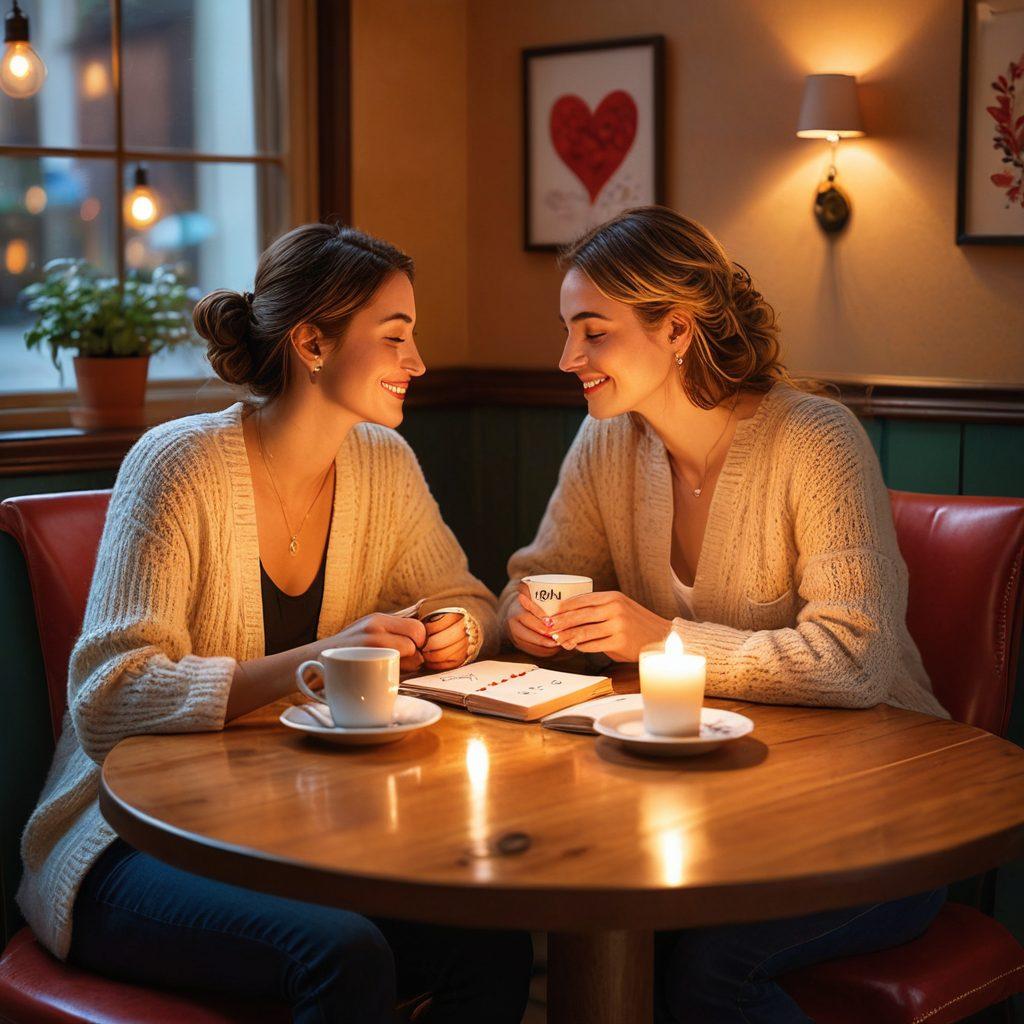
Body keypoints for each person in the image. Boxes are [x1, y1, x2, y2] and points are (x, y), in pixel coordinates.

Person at [18, 222, 532, 1023]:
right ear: (313, 345)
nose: (418, 363)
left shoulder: (381, 463)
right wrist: (316, 660)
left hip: (292, 831)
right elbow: (110, 696)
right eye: (395, 338)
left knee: (492, 941)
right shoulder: (176, 465)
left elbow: (468, 600)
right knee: (342, 953)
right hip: (129, 843)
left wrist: (452, 631)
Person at [500, 205, 948, 1023]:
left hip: (886, 821)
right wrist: (525, 617)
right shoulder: (610, 443)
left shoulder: (814, 441)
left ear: (676, 329)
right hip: (717, 816)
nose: (567, 358)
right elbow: (532, 576)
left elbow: (857, 661)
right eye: (568, 330)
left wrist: (663, 638)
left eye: (592, 332)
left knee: (711, 972)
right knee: (576, 935)